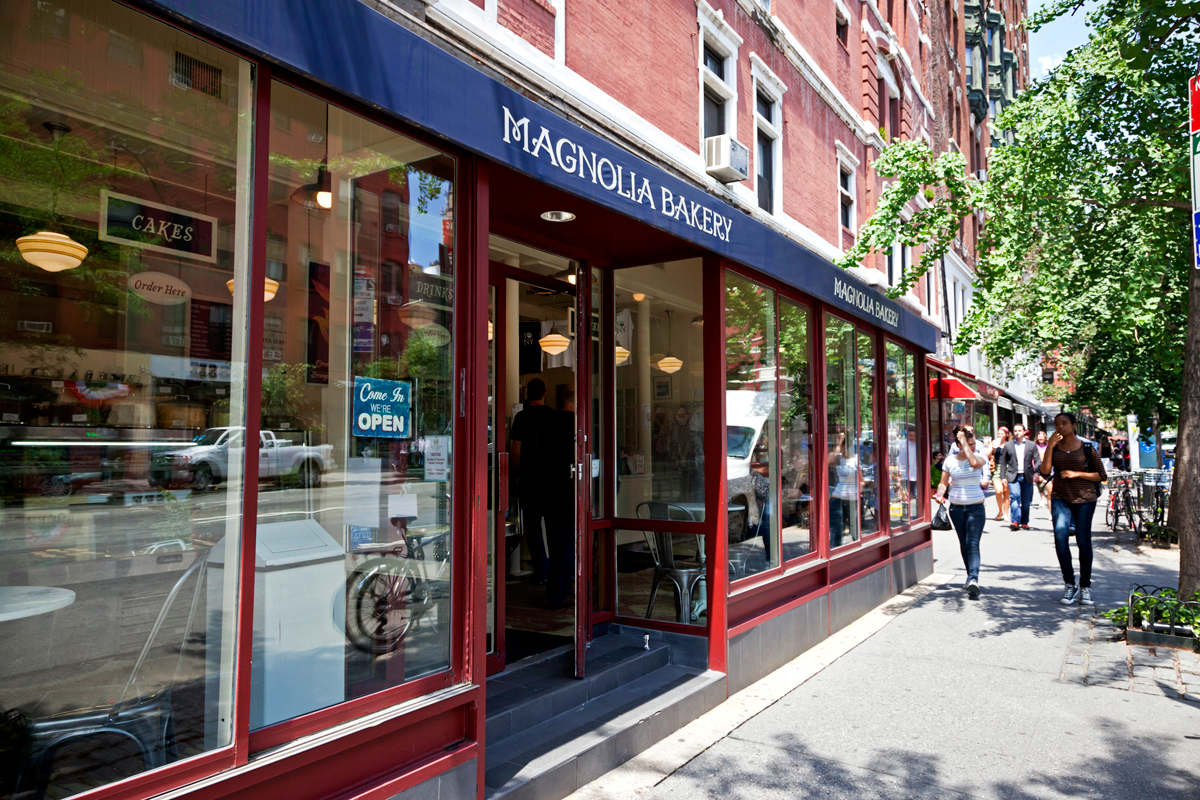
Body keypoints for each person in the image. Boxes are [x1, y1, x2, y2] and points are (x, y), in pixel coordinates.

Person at [1040, 412, 1108, 606]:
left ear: (1073, 425)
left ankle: (1085, 586)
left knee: (1083, 540)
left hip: (1085, 499)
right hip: (1061, 497)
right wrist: (1050, 447)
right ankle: (1070, 584)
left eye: (1064, 423)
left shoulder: (1087, 447)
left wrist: (1076, 474)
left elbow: (1101, 475)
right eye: (1057, 424)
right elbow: (1044, 471)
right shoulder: (1054, 447)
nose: (1060, 427)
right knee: (1060, 537)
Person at [509, 378, 558, 587]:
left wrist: (518, 475)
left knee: (533, 528)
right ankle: (557, 571)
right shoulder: (555, 417)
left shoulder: (521, 417)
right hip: (553, 481)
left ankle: (542, 570)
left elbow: (516, 452)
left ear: (527, 395)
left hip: (530, 480)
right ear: (545, 393)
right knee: (555, 528)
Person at [934, 424, 991, 598]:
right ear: (958, 445)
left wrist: (965, 443)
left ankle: (973, 578)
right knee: (964, 544)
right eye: (969, 444)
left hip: (976, 508)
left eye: (974, 443)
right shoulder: (950, 461)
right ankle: (970, 576)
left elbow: (973, 462)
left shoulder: (980, 457)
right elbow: (943, 483)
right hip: (957, 509)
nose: (973, 447)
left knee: (973, 543)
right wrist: (939, 494)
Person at [997, 423, 1040, 530]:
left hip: (1027, 476)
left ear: (1024, 431)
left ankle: (1024, 521)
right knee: (1015, 497)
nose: (1017, 433)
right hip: (1013, 476)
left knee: (1026, 501)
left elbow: (1038, 460)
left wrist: (1037, 472)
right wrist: (1003, 477)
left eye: (1019, 430)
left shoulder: (1031, 445)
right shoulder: (1008, 445)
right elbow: (1003, 462)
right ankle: (1015, 521)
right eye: (1015, 431)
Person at [990, 427, 1012, 521]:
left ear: (1006, 434)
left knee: (1006, 492)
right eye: (998, 433)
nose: (1000, 435)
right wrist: (992, 446)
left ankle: (1006, 514)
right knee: (998, 491)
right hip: (996, 468)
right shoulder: (995, 444)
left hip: (1007, 468)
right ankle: (1000, 510)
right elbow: (987, 455)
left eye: (1002, 433)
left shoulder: (1010, 444)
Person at [1033, 430, 1049, 508]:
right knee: (1039, 483)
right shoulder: (1034, 446)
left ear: (1045, 437)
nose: (1040, 438)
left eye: (1042, 436)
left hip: (1048, 467)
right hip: (1038, 467)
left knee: (1048, 482)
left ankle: (1048, 497)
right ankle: (1043, 499)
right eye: (1039, 436)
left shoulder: (1048, 445)